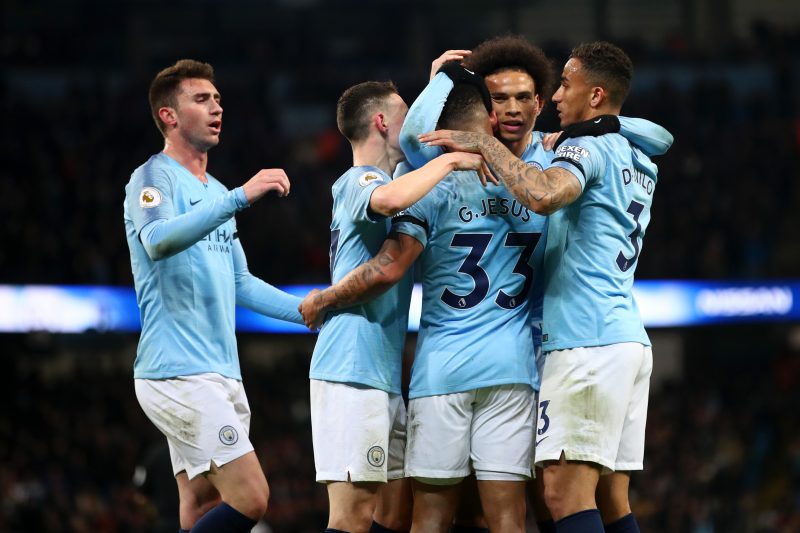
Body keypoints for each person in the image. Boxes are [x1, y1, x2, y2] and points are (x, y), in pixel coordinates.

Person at [401, 35, 672, 533]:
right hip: (582, 342)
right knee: (602, 497)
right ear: (483, 106)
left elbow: (545, 194)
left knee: (559, 496)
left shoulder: (563, 155)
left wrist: (580, 132)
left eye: (528, 97)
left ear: (542, 101)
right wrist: (441, 82)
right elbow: (660, 136)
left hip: (570, 344)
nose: (514, 108)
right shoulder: (602, 148)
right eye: (499, 98)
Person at [302, 80, 538, 533]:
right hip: (353, 366)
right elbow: (389, 205)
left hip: (399, 371)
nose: (416, 121)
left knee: (397, 514)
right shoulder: (363, 180)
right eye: (407, 112)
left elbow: (393, 251)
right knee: (353, 515)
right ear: (382, 122)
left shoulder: (417, 186)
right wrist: (452, 155)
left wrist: (443, 80)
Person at [123, 59, 306, 533]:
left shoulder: (218, 191)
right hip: (178, 372)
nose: (216, 107)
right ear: (168, 115)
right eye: (201, 99)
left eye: (218, 99)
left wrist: (312, 311)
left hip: (222, 372)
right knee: (252, 498)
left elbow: (240, 282)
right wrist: (241, 197)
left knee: (202, 504)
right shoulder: (153, 178)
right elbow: (157, 240)